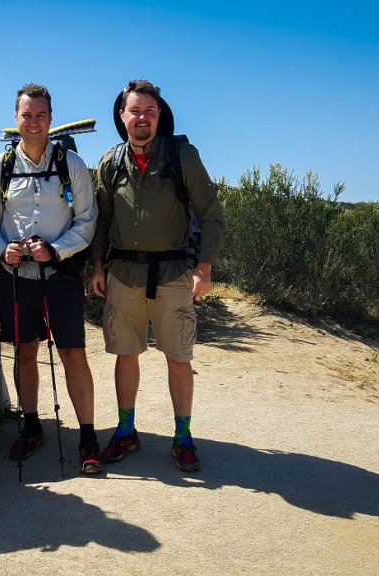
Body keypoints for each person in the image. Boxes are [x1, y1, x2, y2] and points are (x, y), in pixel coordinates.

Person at [89, 79, 225, 472]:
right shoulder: (110, 162)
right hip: (123, 274)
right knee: (124, 354)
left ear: (159, 115)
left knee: (178, 357)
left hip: (173, 275)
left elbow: (211, 213)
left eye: (150, 111)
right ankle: (126, 431)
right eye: (135, 111)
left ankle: (183, 437)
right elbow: (102, 220)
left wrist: (204, 267)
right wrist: (97, 266)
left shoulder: (182, 155)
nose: (142, 118)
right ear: (122, 116)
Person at [0, 84, 103, 474]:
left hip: (59, 274)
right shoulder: (1, 167)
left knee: (72, 353)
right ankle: (30, 426)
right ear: (16, 118)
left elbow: (87, 220)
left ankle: (88, 437)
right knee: (24, 349)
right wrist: (2, 250)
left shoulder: (71, 165)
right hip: (16, 275)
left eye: (41, 115)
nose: (34, 123)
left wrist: (57, 250)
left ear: (50, 118)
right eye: (27, 115)